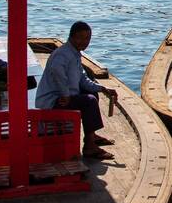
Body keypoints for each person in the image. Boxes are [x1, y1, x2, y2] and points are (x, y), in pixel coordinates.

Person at [34, 21, 117, 159]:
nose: (84, 42)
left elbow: (83, 80)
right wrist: (65, 94)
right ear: (71, 37)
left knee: (92, 93)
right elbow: (57, 71)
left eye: (87, 38)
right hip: (52, 102)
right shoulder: (63, 54)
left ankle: (91, 136)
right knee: (89, 101)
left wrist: (103, 88)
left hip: (64, 97)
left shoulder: (75, 55)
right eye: (80, 38)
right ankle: (89, 147)